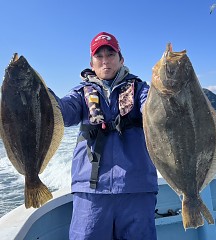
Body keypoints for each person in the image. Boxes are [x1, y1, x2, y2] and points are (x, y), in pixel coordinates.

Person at [51, 32, 158, 240]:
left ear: (121, 59)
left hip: (136, 187)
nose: (105, 60)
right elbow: (60, 112)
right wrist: (37, 92)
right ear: (92, 63)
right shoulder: (81, 93)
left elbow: (155, 110)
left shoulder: (141, 90)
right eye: (99, 56)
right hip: (91, 191)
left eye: (110, 54)